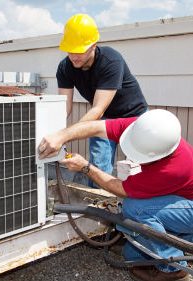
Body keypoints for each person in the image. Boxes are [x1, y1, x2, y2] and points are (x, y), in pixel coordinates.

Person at [38, 109, 193, 281]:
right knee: (131, 255)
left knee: (135, 209)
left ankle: (174, 269)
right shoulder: (144, 128)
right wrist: (61, 136)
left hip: (190, 209)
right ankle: (174, 241)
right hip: (179, 199)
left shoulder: (175, 168)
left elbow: (121, 189)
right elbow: (96, 127)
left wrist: (85, 167)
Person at [57, 13, 148, 186]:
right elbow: (64, 107)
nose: (74, 56)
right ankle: (98, 209)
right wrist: (55, 132)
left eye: (80, 51)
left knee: (140, 169)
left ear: (93, 45)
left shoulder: (111, 60)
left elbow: (97, 108)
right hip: (105, 119)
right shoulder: (65, 67)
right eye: (70, 50)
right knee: (98, 168)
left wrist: (65, 135)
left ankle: (139, 207)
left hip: (135, 117)